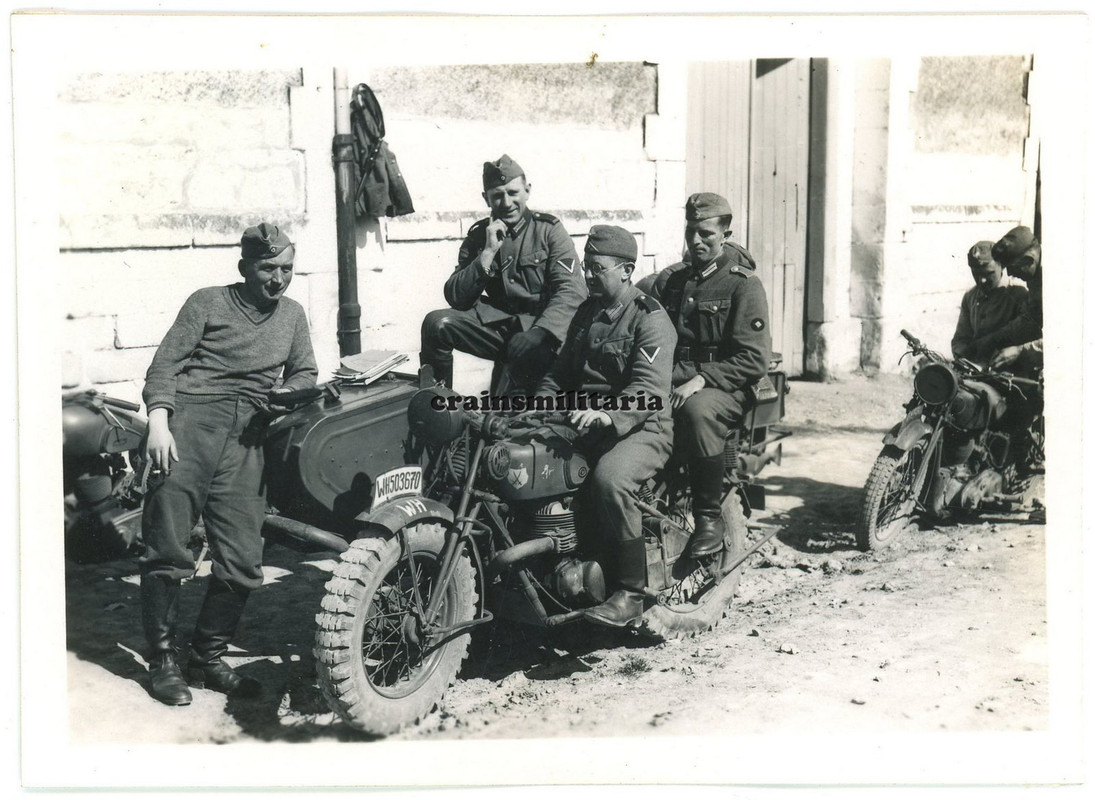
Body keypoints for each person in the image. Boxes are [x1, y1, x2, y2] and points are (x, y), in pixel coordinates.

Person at [139, 222, 318, 706]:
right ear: (245, 267)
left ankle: (206, 659)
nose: (278, 279)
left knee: (242, 557)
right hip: (189, 426)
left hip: (248, 436)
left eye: (287, 269)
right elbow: (165, 366)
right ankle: (162, 662)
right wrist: (159, 422)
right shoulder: (207, 302)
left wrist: (288, 393)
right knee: (168, 547)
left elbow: (305, 371)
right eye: (268, 269)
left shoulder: (293, 315)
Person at [536, 225, 677, 628]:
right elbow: (560, 371)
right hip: (586, 423)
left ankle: (631, 592)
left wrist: (608, 415)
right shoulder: (587, 312)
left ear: (627, 270)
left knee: (610, 480)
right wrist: (540, 402)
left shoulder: (650, 319)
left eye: (597, 268)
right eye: (586, 265)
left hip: (643, 428)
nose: (587, 274)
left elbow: (648, 390)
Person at [648, 192, 770, 559]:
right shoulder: (674, 281)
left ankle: (708, 519)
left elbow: (754, 359)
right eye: (691, 232)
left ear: (725, 235)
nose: (696, 241)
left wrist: (702, 378)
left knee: (698, 412)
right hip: (676, 378)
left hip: (727, 385)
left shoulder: (742, 284)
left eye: (706, 234)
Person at [420, 155, 585, 392]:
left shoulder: (549, 230)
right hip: (500, 328)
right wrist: (488, 252)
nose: (506, 203)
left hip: (543, 331)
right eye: (497, 195)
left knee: (507, 407)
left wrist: (540, 332)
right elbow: (457, 298)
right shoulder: (480, 235)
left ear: (527, 191)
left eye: (513, 193)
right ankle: (437, 402)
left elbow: (571, 290)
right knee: (436, 324)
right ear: (486, 198)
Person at [950, 241, 1029, 364]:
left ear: (1002, 265)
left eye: (988, 273)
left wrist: (1017, 352)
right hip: (976, 369)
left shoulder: (1019, 295)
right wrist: (963, 356)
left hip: (1008, 371)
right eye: (976, 274)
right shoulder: (970, 296)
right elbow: (960, 339)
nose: (982, 280)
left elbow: (1032, 340)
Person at [987, 225, 1043, 373]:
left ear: (1029, 260)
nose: (1010, 274)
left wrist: (1020, 351)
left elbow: (1066, 339)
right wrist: (995, 338)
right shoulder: (1034, 273)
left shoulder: (1061, 277)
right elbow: (1031, 318)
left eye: (1012, 267)